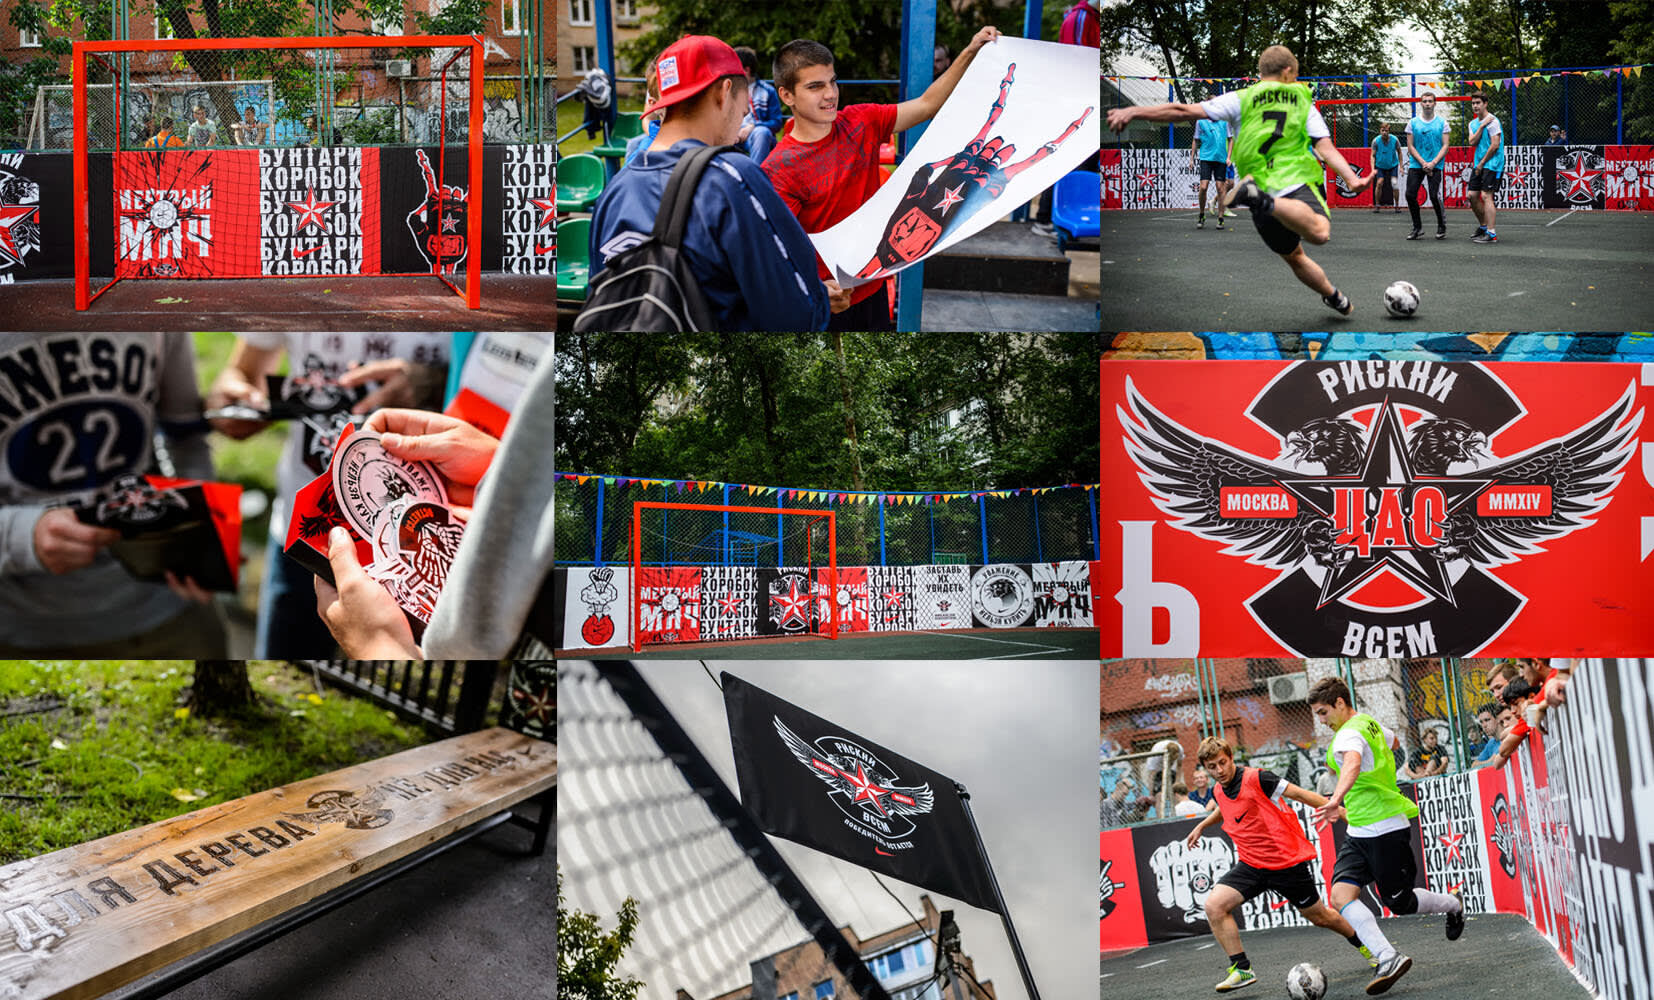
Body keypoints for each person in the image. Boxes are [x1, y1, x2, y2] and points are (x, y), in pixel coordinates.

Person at [206, 334, 450, 658]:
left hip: (420, 546)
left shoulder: (473, 286)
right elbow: (240, 372)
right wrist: (233, 403)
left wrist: (435, 381)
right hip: (306, 538)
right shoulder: (282, 284)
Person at [761, 25, 1001, 331]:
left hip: (873, 287)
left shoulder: (862, 120)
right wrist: (815, 290)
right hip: (825, 302)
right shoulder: (778, 169)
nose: (830, 94)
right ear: (786, 95)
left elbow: (927, 104)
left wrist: (970, 51)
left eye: (833, 82)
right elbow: (774, 256)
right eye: (815, 87)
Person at [0, 334, 225, 657]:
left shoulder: (155, 294)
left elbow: (185, 435)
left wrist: (204, 531)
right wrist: (20, 536)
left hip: (163, 602)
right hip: (21, 622)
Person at [1107, 45, 1373, 317]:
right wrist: (1351, 179)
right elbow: (1325, 148)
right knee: (1319, 233)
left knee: (1294, 257)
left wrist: (1134, 112)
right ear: (1288, 71)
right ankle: (1264, 200)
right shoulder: (1303, 102)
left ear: (1260, 72)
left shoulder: (1239, 99)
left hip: (1256, 181)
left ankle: (1333, 296)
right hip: (1297, 180)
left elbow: (1183, 111)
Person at [588, 35, 831, 332]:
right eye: (744, 110)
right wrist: (821, 301)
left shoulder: (612, 192)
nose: (743, 117)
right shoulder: (732, 178)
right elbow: (797, 315)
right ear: (724, 91)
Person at [1184, 737, 1379, 993]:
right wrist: (1201, 825)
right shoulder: (1219, 789)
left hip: (1285, 863)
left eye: (1222, 763)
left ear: (1231, 758)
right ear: (1205, 768)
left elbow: (1300, 793)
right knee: (1214, 906)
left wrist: (1342, 813)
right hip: (1251, 864)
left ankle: (1367, 947)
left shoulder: (1259, 778)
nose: (1219, 770)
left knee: (1320, 917)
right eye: (1212, 766)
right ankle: (1242, 969)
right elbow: (1224, 806)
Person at [1311, 677, 1466, 996]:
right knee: (1340, 897)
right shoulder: (1369, 724)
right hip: (1358, 830)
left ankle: (1453, 905)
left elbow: (1352, 763)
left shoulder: (1349, 734)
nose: (1322, 721)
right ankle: (1387, 957)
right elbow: (1394, 743)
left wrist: (1335, 799)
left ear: (1340, 703)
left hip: (1384, 828)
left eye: (1324, 712)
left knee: (1400, 903)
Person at [1403, 92, 1447, 239]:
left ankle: (1441, 225)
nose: (1427, 103)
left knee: (1434, 196)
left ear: (1435, 103)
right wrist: (1423, 163)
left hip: (1436, 164)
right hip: (1417, 164)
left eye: (1430, 101)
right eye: (1425, 101)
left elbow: (1445, 145)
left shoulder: (1442, 123)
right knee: (1410, 194)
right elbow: (1410, 146)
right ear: (1421, 104)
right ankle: (1417, 228)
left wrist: (1433, 163)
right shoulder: (1413, 123)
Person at [1465, 92, 1505, 244]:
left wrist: (1482, 163)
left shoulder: (1494, 121)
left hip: (1493, 163)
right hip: (1479, 163)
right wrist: (1482, 125)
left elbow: (1495, 145)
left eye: (1478, 103)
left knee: (1486, 196)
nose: (1475, 106)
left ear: (1485, 104)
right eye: (1473, 103)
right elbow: (1472, 142)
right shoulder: (1473, 124)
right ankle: (1483, 227)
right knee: (1472, 196)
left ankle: (1492, 233)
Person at [733, 45, 783, 164]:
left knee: (762, 132)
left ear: (746, 70)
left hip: (757, 137)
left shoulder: (767, 91)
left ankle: (755, 178)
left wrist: (753, 126)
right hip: (734, 135)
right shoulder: (728, 90)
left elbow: (777, 122)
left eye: (735, 67)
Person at [1191, 113, 1233, 229]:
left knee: (1221, 188)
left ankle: (1220, 218)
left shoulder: (1225, 122)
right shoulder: (1200, 122)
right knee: (1203, 187)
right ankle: (1201, 215)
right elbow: (1195, 140)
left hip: (1220, 159)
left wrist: (1228, 157)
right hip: (1206, 158)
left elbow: (1230, 140)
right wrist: (1191, 158)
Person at [577, 66, 615, 141]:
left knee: (606, 120)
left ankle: (596, 133)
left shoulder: (602, 84)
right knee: (603, 118)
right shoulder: (595, 81)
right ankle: (592, 131)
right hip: (600, 102)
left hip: (604, 102)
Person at [1370, 121, 1401, 213]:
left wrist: (1402, 166)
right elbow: (1372, 156)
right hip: (1380, 166)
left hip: (1393, 165)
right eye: (1383, 130)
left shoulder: (1395, 140)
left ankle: (1397, 206)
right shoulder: (1376, 141)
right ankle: (1377, 205)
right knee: (1379, 183)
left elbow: (1399, 152)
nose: (1384, 132)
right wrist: (1372, 169)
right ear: (1380, 131)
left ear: (1389, 131)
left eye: (1386, 131)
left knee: (1394, 183)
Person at [1470, 702, 1505, 769]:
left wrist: (1484, 763)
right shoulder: (1491, 742)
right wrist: (1488, 762)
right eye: (1481, 722)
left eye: (1487, 720)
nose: (1484, 725)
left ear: (1498, 719)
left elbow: (1494, 761)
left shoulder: (1506, 738)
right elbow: (1474, 765)